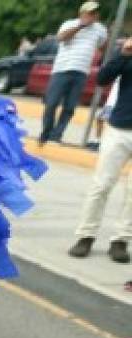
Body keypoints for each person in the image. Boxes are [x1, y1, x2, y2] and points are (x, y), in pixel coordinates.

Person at [70, 40, 132, 263]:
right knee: (101, 185)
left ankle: (121, 240)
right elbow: (102, 78)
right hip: (119, 129)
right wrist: (124, 53)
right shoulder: (128, 53)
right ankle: (86, 235)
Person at [40, 2, 108, 146]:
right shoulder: (69, 24)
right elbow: (61, 38)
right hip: (62, 69)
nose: (92, 16)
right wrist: (80, 26)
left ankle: (56, 135)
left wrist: (99, 59)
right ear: (81, 13)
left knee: (70, 107)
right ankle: (46, 132)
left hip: (82, 71)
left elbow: (103, 46)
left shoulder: (100, 30)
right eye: (89, 13)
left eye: (95, 13)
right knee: (51, 103)